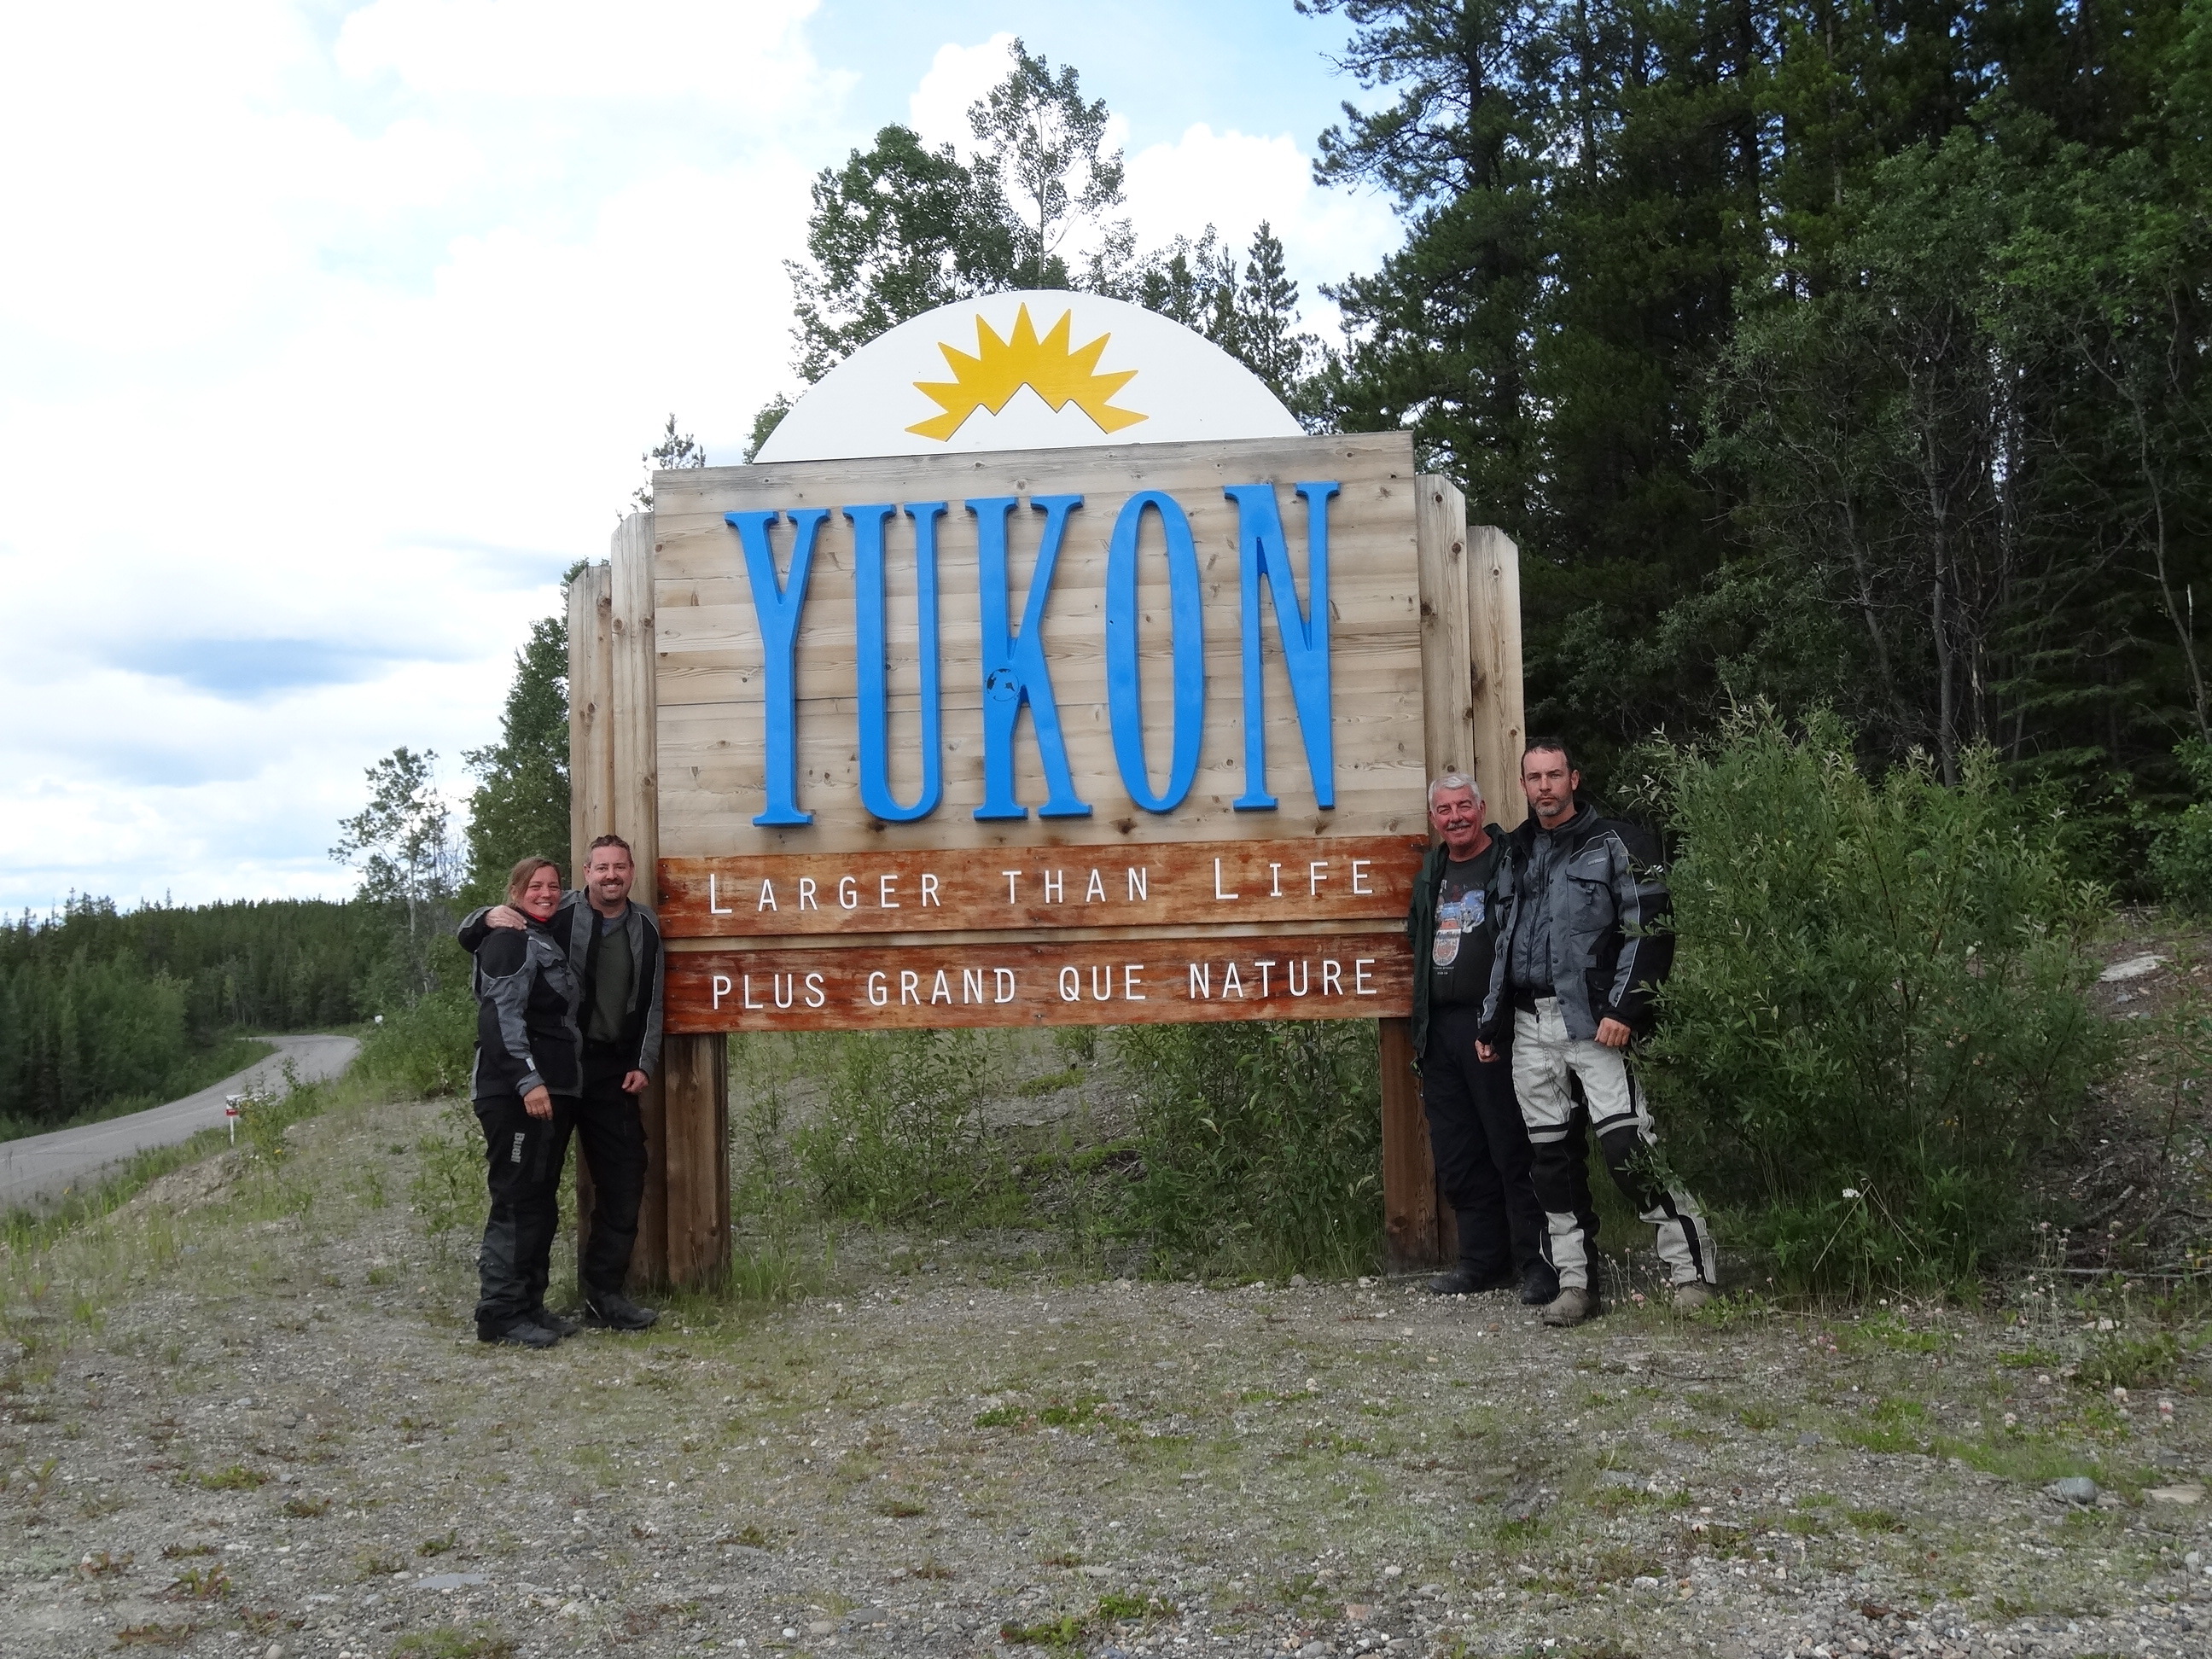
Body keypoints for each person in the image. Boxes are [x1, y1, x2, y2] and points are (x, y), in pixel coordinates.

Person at [1477, 740, 1715, 1326]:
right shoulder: (1514, 853)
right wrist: (1491, 1020)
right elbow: (1502, 942)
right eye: (1535, 777)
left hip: (1595, 1021)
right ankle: (1575, 1283)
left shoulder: (1617, 842)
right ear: (1524, 785)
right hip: (1529, 1025)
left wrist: (1625, 1009)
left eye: (1554, 775)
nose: (1545, 787)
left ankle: (1692, 1270)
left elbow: (1651, 927)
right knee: (1550, 1161)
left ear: (1574, 779)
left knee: (1627, 1146)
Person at [463, 834, 664, 1332]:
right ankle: (507, 1310)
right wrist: (483, 917)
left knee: (621, 1177)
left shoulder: (644, 926)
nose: (611, 875)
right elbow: (491, 950)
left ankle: (598, 1298)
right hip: (543, 1076)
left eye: (620, 867)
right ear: (587, 872)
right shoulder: (551, 916)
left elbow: (652, 1000)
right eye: (601, 867)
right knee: (527, 1189)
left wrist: (643, 1060)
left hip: (607, 1074)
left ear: (632, 871)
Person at [1406, 772, 1556, 1305]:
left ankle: (1539, 1263)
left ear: (1482, 807)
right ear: (1434, 819)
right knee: (1459, 1152)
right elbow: (1417, 936)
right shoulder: (1431, 873)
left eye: (1464, 806)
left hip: (1495, 1025)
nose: (1456, 818)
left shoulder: (1509, 862)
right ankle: (1483, 1261)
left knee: (1513, 1146)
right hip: (1439, 1029)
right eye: (1445, 810)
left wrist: (1499, 1019)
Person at [469, 855, 584, 1348]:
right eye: (535, 886)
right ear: (515, 892)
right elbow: (500, 1017)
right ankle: (499, 1314)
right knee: (515, 1202)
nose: (546, 893)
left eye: (553, 886)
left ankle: (530, 1306)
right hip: (514, 1094)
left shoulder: (543, 936)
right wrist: (527, 1080)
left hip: (550, 1092)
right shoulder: (508, 940)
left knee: (538, 1201)